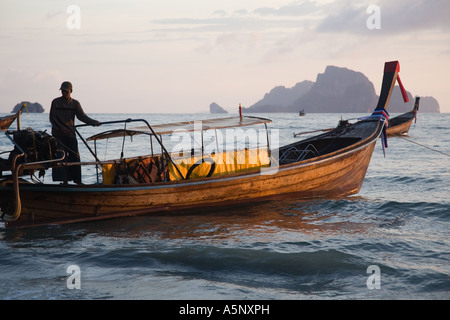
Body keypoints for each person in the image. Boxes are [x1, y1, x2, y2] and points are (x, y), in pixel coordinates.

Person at [49, 81, 101, 184]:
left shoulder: (75, 103)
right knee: (61, 157)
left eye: (66, 91)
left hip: (70, 134)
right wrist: (60, 128)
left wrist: (93, 122)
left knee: (75, 157)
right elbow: (52, 118)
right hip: (58, 135)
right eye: (62, 91)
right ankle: (64, 181)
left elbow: (82, 116)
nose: (64, 93)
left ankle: (78, 181)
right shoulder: (55, 102)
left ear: (71, 91)